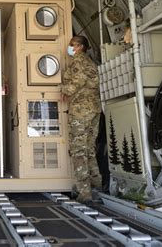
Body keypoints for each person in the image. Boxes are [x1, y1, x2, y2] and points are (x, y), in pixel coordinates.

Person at [62, 35, 102, 203]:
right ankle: (96, 184)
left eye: (72, 45)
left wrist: (64, 90)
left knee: (78, 150)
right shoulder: (91, 62)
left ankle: (84, 192)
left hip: (81, 111)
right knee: (89, 148)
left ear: (78, 47)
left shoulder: (78, 61)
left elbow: (78, 81)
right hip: (94, 109)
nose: (70, 48)